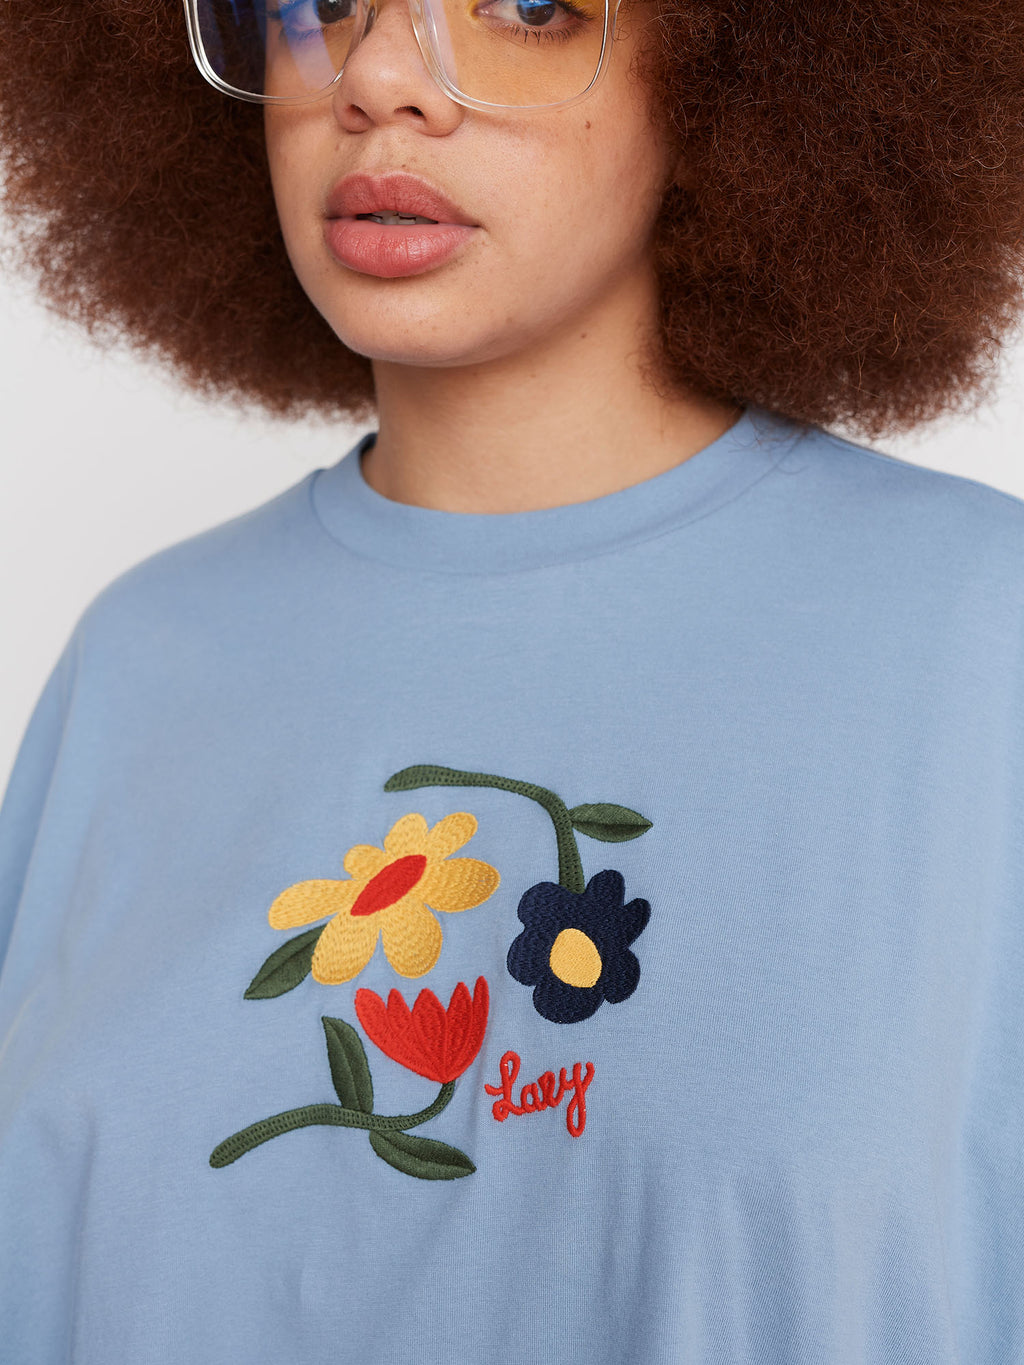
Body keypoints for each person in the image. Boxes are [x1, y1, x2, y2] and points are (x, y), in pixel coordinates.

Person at [1, 0, 1024, 1359]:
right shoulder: (137, 666)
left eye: (528, 7)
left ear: (737, 76)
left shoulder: (981, 640)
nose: (374, 78)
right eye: (316, 2)